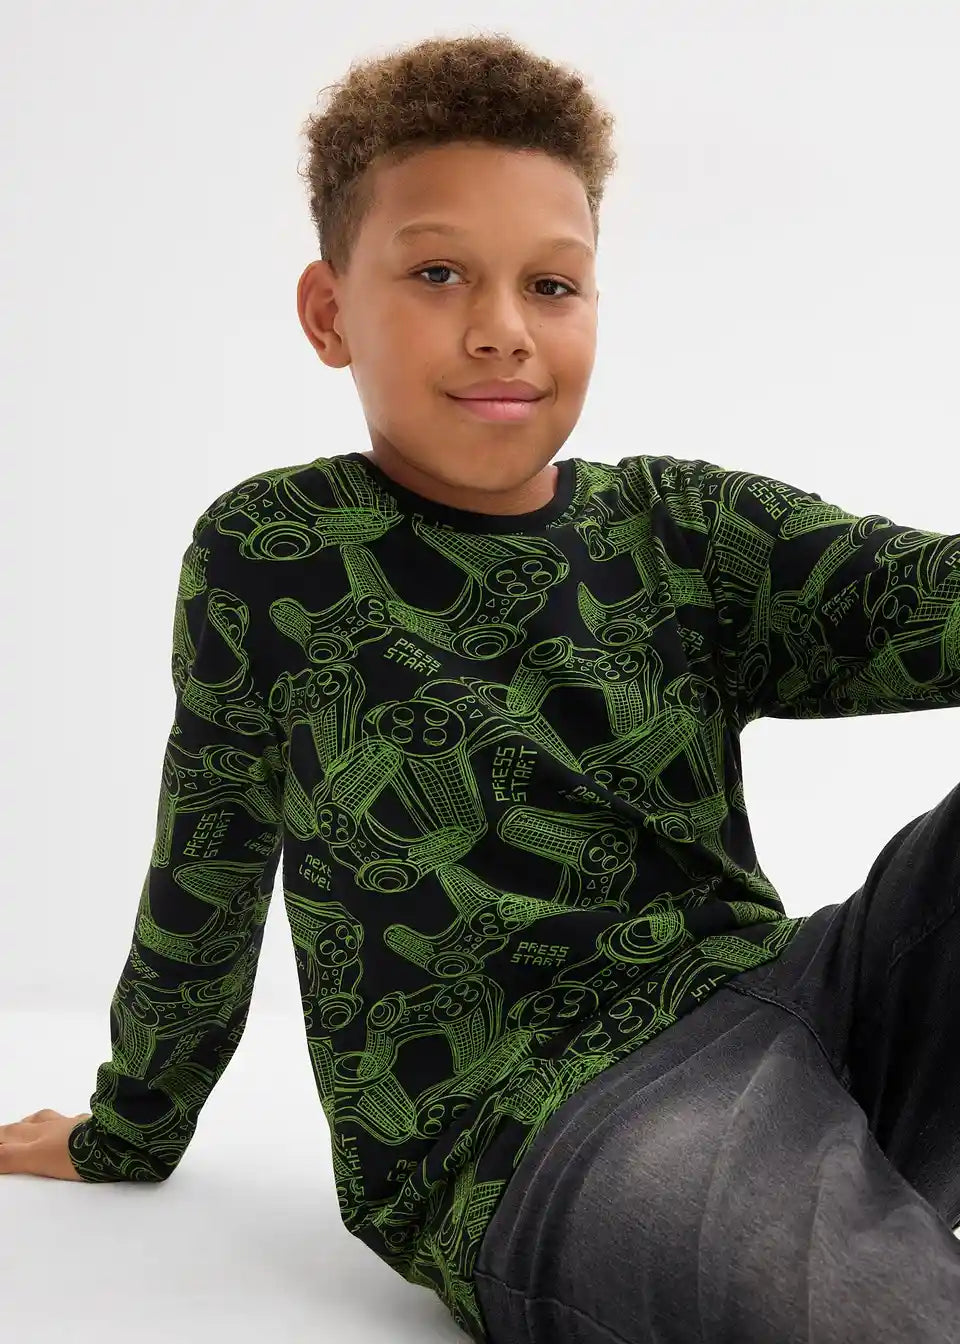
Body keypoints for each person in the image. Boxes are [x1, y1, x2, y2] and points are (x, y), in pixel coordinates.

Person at [2, 29, 959, 1344]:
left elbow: (921, 596)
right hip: (546, 1127)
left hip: (807, 1001)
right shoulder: (275, 556)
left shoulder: (678, 529)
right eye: (439, 272)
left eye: (551, 285)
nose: (503, 329)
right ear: (329, 312)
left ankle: (847, 1174)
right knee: (870, 1315)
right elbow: (206, 867)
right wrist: (129, 1127)